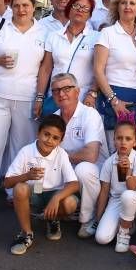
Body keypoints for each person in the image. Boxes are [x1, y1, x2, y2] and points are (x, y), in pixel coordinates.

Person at [0, 0, 48, 192]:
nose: (21, 10)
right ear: (11, 7)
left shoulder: (44, 31)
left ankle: (14, 191)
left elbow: (45, 67)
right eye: (16, 5)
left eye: (26, 5)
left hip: (27, 96)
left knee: (22, 146)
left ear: (34, 7)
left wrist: (40, 97)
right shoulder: (0, 25)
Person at [4, 114, 80, 255]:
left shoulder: (61, 154)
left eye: (55, 138)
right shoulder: (26, 151)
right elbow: (7, 183)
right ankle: (26, 233)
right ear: (38, 133)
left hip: (53, 195)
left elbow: (75, 184)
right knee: (20, 188)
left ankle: (52, 219)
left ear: (60, 141)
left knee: (70, 203)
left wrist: (56, 198)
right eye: (46, 134)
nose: (49, 140)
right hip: (34, 194)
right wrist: (27, 176)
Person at [94, 0, 136, 152]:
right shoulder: (108, 33)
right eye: (124, 3)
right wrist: (114, 101)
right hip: (115, 99)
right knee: (116, 152)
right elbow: (98, 70)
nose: (128, 6)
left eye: (132, 3)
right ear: (117, 7)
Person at [52, 73, 109, 238]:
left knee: (83, 169)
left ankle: (88, 218)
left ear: (77, 92)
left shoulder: (89, 114)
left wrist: (61, 156)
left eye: (66, 89)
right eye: (56, 91)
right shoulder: (54, 118)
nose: (61, 94)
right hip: (67, 172)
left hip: (93, 173)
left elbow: (91, 155)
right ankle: (66, 209)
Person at [37, 0, 99, 114]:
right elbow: (46, 69)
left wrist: (93, 92)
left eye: (85, 8)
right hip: (56, 97)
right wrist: (39, 97)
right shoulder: (53, 36)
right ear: (69, 9)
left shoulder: (97, 37)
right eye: (76, 5)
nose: (80, 10)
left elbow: (101, 69)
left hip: (83, 99)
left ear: (90, 15)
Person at [94, 119, 136, 252]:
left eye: (128, 139)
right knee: (102, 238)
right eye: (119, 138)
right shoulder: (109, 162)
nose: (123, 142)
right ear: (114, 140)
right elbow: (105, 191)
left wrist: (128, 169)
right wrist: (99, 218)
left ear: (135, 142)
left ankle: (123, 232)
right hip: (116, 200)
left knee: (128, 195)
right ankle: (128, 223)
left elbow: (132, 188)